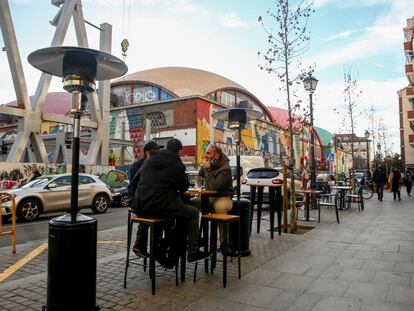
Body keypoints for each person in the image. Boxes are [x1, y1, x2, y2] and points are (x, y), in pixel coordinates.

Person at [132, 138, 211, 263]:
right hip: (159, 208)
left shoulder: (150, 159)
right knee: (193, 213)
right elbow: (184, 187)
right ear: (179, 152)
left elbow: (134, 181)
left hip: (139, 208)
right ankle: (192, 251)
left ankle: (167, 248)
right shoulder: (176, 163)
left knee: (177, 212)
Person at [193, 144, 233, 251]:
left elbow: (214, 186)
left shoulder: (225, 168)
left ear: (216, 156)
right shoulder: (209, 164)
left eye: (208, 153)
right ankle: (195, 238)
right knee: (191, 203)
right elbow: (199, 175)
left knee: (220, 208)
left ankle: (224, 241)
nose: (206, 155)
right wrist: (204, 167)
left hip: (223, 197)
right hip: (208, 197)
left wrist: (209, 169)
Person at [127, 140, 163, 258]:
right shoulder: (138, 166)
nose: (159, 153)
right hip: (138, 200)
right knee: (155, 211)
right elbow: (134, 185)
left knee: (154, 210)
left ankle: (144, 244)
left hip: (147, 200)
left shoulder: (154, 165)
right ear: (148, 153)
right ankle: (155, 246)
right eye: (156, 151)